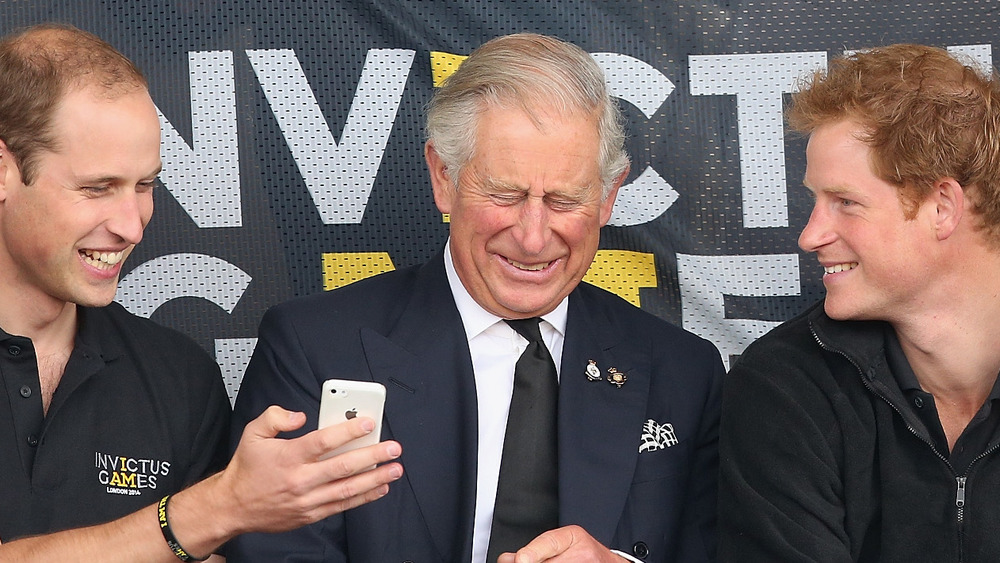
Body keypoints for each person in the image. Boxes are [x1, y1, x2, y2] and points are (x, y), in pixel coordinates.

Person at [228, 32, 724, 563]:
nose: (533, 237)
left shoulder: (683, 372)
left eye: (563, 200)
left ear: (608, 196)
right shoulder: (315, 348)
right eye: (505, 195)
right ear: (444, 177)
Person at [0, 23, 403, 562]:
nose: (133, 226)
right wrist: (213, 509)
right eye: (98, 188)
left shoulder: (179, 377)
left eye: (145, 186)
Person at [718, 44, 1000, 561]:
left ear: (943, 208)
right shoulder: (783, 386)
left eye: (845, 203)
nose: (809, 236)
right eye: (815, 201)